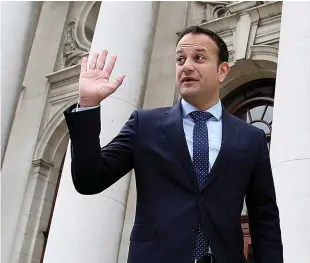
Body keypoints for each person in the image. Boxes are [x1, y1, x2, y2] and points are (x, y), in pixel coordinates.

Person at [64, 26, 283, 263]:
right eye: (180, 59)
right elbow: (89, 180)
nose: (187, 66)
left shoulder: (251, 138)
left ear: (222, 71)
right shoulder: (144, 125)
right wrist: (87, 105)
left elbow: (264, 220)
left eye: (198, 58)